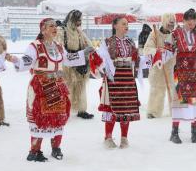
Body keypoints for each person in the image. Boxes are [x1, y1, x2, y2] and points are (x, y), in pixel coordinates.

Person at [7, 18, 99, 161]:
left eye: (55, 26)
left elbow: (68, 59)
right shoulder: (35, 46)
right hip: (41, 86)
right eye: (51, 26)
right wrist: (15, 60)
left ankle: (56, 148)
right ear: (43, 30)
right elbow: (27, 61)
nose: (55, 28)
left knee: (58, 117)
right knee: (40, 118)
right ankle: (35, 151)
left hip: (58, 85)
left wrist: (83, 53)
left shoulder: (58, 46)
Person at [97, 16, 140, 149]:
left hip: (127, 77)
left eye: (127, 24)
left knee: (126, 108)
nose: (126, 26)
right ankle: (108, 137)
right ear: (115, 26)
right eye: (123, 24)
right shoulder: (107, 42)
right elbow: (101, 59)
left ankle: (124, 138)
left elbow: (136, 60)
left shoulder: (131, 42)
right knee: (112, 108)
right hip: (114, 79)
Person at [169, 8, 196, 144]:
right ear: (183, 20)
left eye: (194, 19)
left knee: (194, 102)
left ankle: (194, 132)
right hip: (181, 71)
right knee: (179, 101)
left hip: (195, 72)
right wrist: (159, 57)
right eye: (188, 19)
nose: (191, 22)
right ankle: (174, 132)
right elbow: (168, 50)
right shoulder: (175, 34)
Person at [57, 10, 95, 119]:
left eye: (81, 20)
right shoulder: (62, 30)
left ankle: (81, 110)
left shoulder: (79, 31)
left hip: (79, 61)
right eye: (78, 20)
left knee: (81, 87)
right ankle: (63, 111)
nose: (80, 23)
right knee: (67, 87)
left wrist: (87, 51)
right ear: (72, 20)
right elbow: (59, 48)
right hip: (67, 63)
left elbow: (89, 44)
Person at [143, 14, 176, 118]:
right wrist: (157, 52)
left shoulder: (175, 35)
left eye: (173, 22)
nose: (171, 24)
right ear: (164, 21)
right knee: (157, 89)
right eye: (169, 22)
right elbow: (146, 49)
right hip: (157, 68)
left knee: (172, 89)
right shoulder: (154, 34)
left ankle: (175, 111)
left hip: (170, 68)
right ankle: (153, 111)